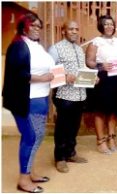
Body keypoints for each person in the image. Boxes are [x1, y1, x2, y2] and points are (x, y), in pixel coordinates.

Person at [2, 13, 54, 193]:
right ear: (23, 26)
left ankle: (30, 171)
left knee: (38, 136)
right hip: (26, 100)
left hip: (41, 98)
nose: (36, 28)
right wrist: (42, 78)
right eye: (33, 25)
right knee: (30, 137)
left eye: (39, 26)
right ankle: (23, 180)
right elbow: (16, 75)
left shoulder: (37, 46)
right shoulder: (18, 46)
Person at [48, 21, 88, 173]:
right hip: (64, 94)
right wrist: (65, 76)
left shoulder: (79, 49)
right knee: (62, 127)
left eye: (77, 29)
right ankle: (60, 158)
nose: (74, 31)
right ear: (64, 31)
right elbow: (49, 71)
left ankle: (71, 153)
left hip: (79, 94)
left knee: (74, 126)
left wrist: (93, 77)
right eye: (71, 29)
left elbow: (83, 69)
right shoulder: (55, 48)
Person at [86, 15, 117, 155]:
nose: (109, 26)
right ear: (101, 26)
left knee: (114, 110)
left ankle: (111, 138)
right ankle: (100, 141)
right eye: (106, 24)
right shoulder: (96, 42)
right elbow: (89, 62)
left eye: (111, 24)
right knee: (101, 110)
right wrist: (101, 65)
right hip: (103, 79)